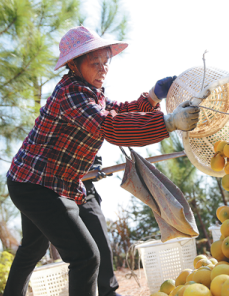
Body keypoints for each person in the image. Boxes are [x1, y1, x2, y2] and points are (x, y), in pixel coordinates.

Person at [4, 26, 199, 296]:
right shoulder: (70, 93)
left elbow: (117, 110)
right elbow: (108, 125)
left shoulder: (91, 93)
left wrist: (153, 96)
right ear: (73, 64)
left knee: (33, 249)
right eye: (94, 63)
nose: (102, 69)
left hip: (40, 182)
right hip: (35, 184)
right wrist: (168, 123)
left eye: (105, 63)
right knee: (85, 257)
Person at [79, 154, 120, 296]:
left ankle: (108, 291)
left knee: (102, 243)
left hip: (86, 195)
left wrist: (93, 167)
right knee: (79, 254)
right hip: (59, 197)